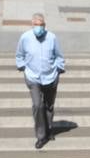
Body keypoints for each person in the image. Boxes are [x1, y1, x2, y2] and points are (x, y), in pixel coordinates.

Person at [15, 13, 66, 150]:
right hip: (33, 77)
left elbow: (59, 56)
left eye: (41, 24)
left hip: (50, 76)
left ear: (45, 25)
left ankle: (49, 129)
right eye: (36, 24)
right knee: (38, 105)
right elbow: (19, 55)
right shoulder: (25, 38)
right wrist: (22, 67)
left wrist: (59, 69)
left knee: (49, 105)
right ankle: (41, 136)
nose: (39, 27)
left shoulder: (52, 38)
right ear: (32, 25)